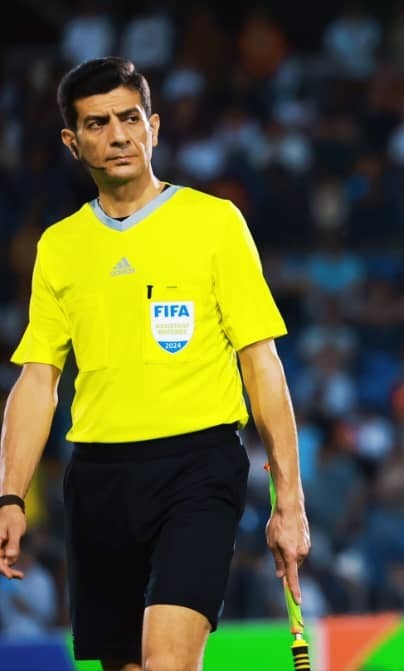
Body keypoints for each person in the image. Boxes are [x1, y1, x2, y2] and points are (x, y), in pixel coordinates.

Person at [0, 57, 310, 670]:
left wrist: (290, 501)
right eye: (97, 124)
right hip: (98, 478)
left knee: (168, 659)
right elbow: (38, 380)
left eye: (129, 118)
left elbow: (262, 364)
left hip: (199, 467)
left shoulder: (214, 222)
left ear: (154, 127)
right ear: (72, 141)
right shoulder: (59, 246)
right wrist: (10, 495)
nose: (117, 135)